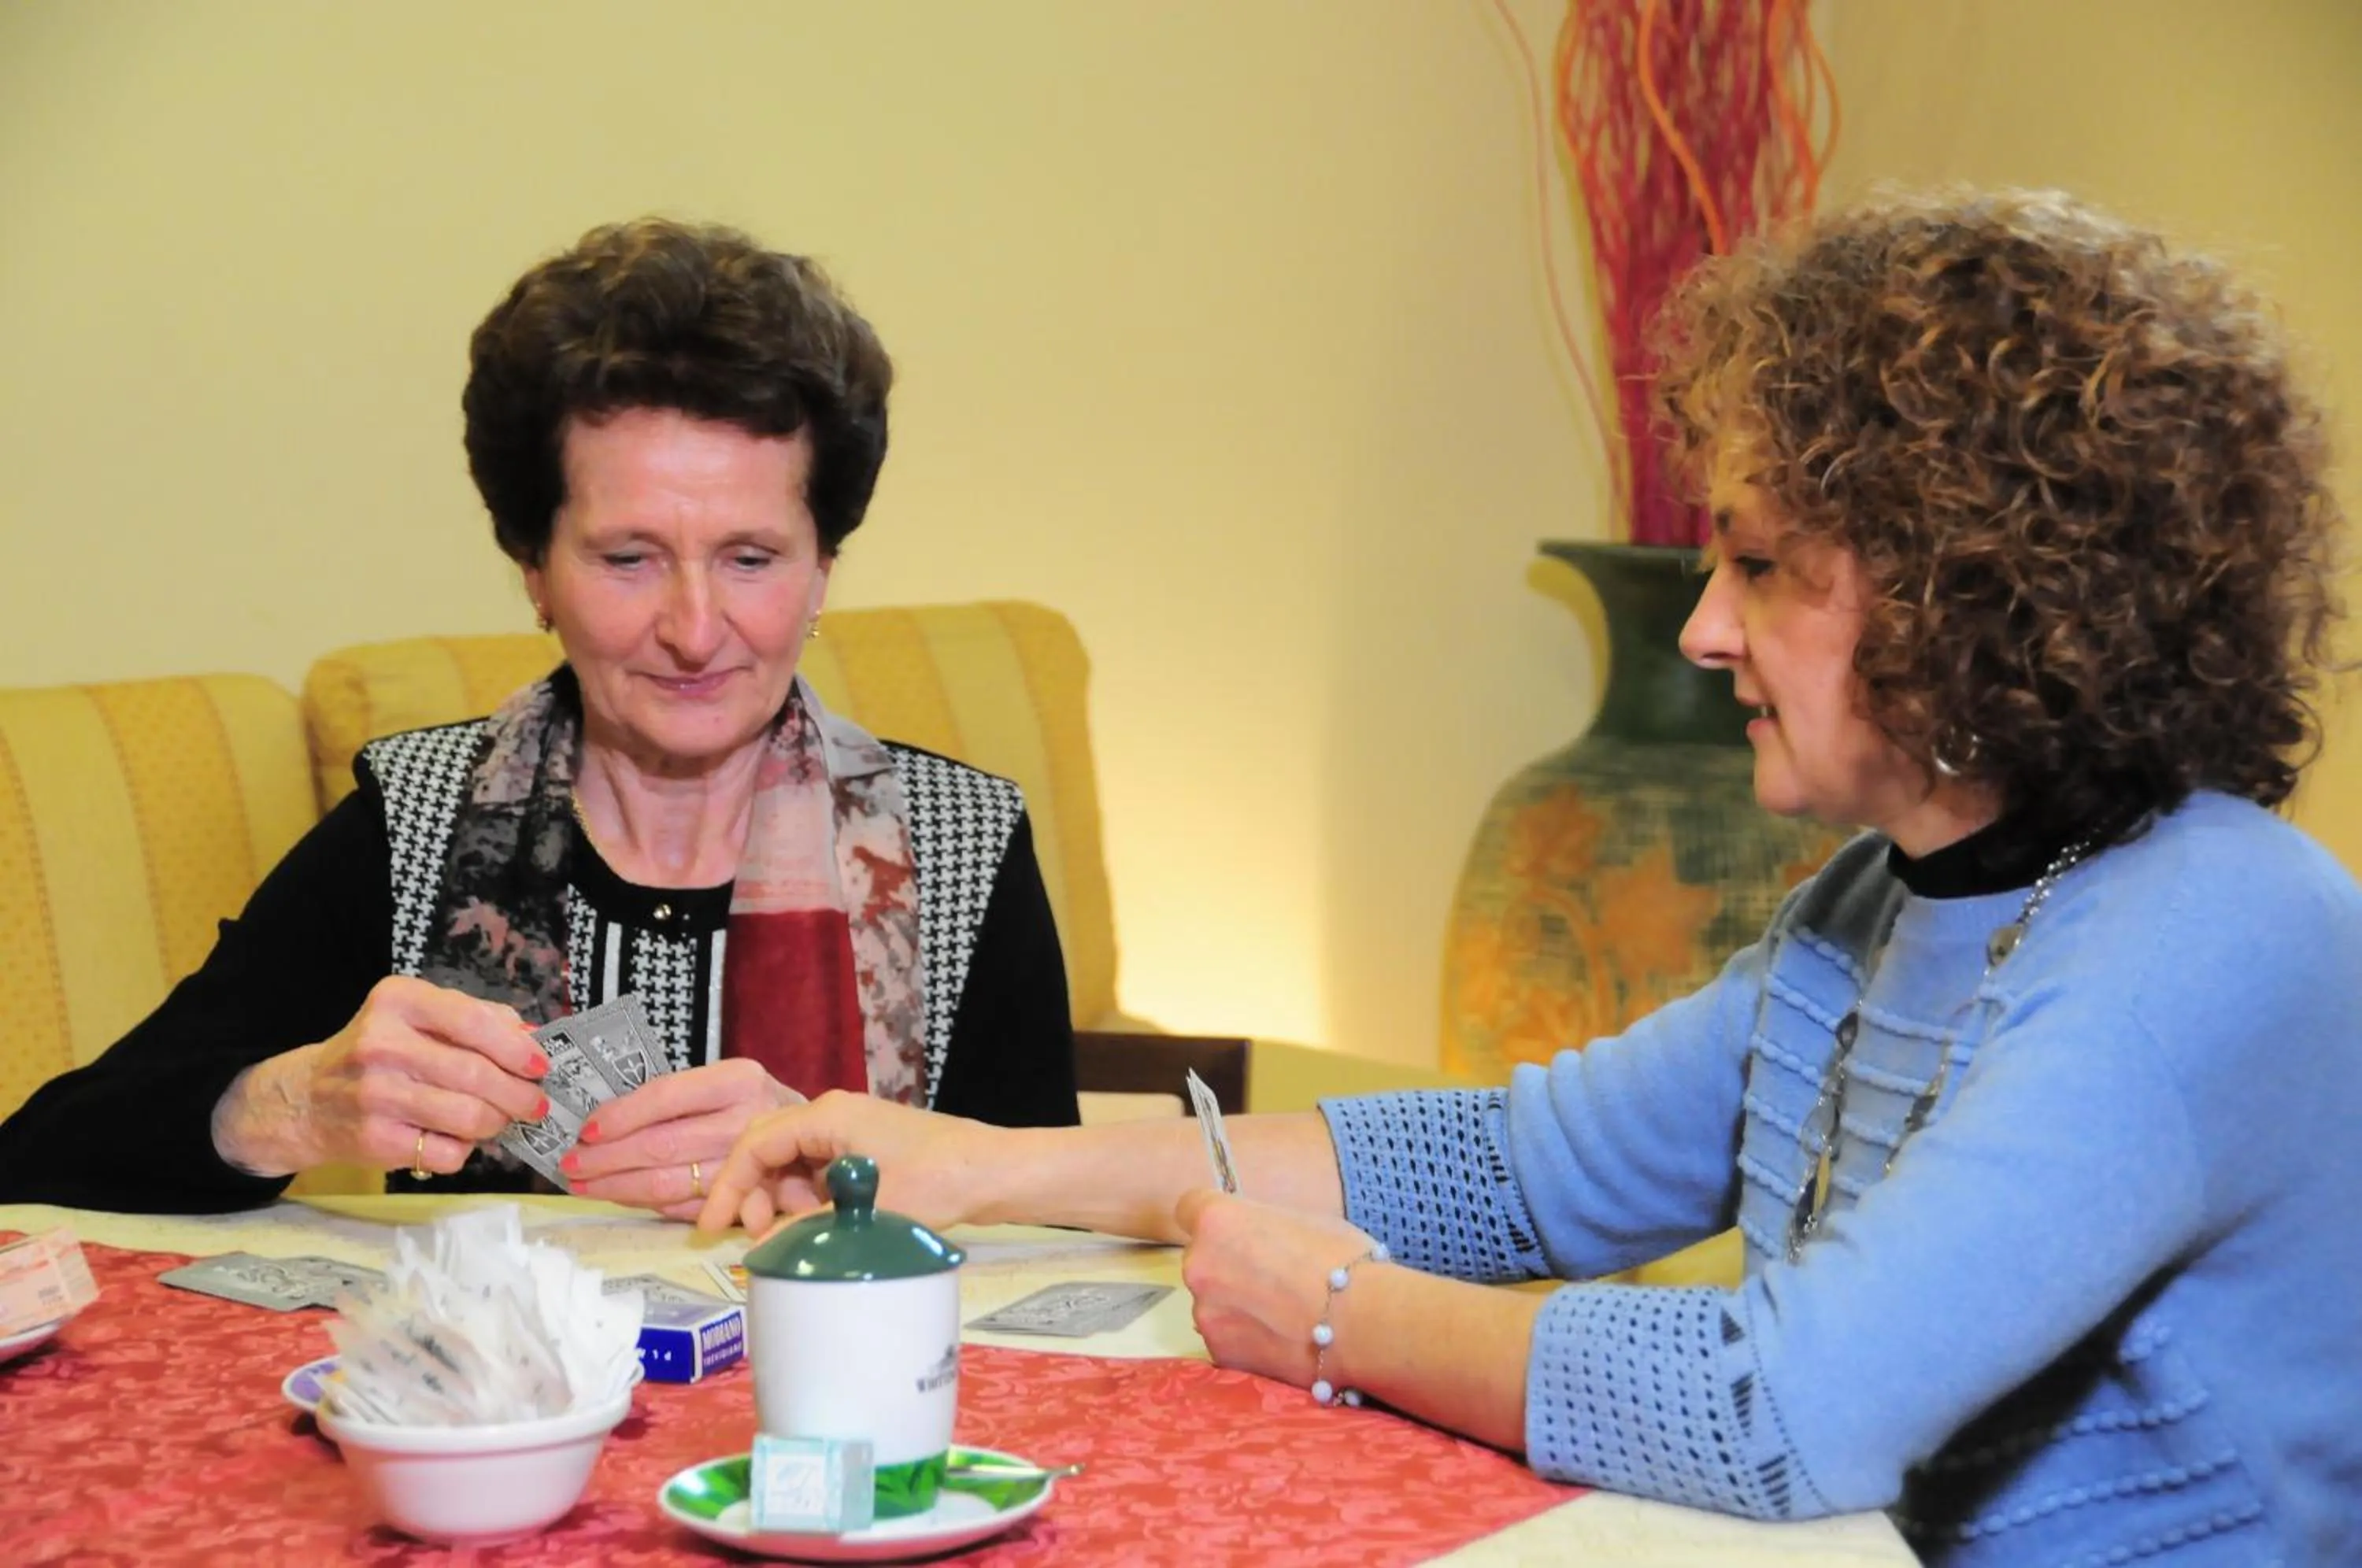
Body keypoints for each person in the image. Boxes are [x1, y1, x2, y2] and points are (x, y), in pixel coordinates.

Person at [694, 190, 2362, 1566]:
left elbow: (1783, 1410)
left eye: (1762, 565)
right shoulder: (1875, 903)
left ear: (1966, 590)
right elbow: (1517, 1167)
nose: (1706, 627)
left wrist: (1348, 1317)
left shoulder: (2215, 933)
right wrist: (979, 1167)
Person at [0, 218, 1079, 1216]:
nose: (695, 631)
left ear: (822, 569)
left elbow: (1054, 1232)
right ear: (535, 570)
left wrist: (854, 1174)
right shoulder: (416, 821)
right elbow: (40, 1158)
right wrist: (289, 1107)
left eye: (752, 559)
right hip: (505, 1418)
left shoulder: (958, 842)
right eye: (628, 559)